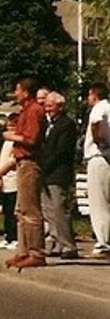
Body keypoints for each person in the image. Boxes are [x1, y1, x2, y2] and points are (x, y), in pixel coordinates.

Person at [1, 77, 47, 271]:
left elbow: (32, 139)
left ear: (26, 92)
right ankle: (23, 250)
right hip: (21, 163)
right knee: (20, 210)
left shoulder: (35, 111)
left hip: (30, 163)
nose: (15, 94)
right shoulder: (25, 111)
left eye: (18, 90)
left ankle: (36, 253)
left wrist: (12, 136)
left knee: (30, 210)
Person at [39, 91, 78, 260]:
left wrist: (45, 166)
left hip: (58, 172)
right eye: (46, 106)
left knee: (59, 208)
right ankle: (56, 241)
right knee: (48, 210)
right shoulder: (49, 124)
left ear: (60, 107)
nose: (47, 109)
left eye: (50, 106)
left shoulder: (66, 124)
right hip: (46, 173)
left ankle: (69, 245)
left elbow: (61, 151)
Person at [84, 82, 110, 257]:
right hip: (106, 157)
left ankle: (103, 242)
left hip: (98, 156)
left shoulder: (99, 107)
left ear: (94, 94)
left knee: (99, 202)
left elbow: (96, 123)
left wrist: (100, 142)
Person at [0, 113, 19, 250]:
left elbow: (12, 161)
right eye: (8, 126)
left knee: (14, 210)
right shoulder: (6, 142)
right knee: (7, 210)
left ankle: (15, 237)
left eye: (13, 126)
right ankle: (7, 236)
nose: (10, 129)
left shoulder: (16, 142)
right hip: (5, 180)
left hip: (13, 179)